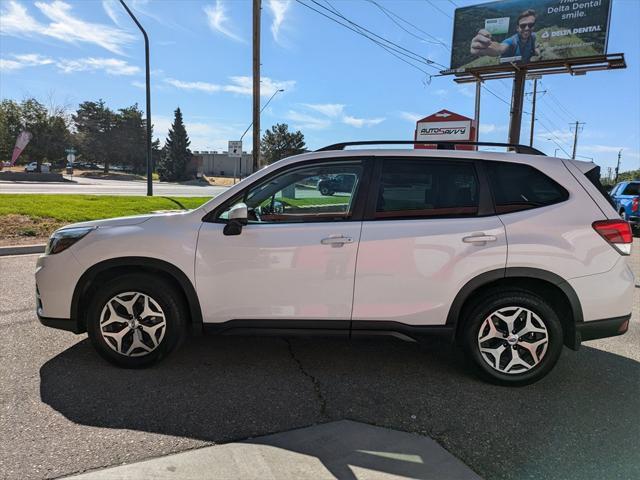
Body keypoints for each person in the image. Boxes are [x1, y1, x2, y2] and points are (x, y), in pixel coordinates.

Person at [470, 9, 540, 64]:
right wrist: (484, 48)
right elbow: (500, 48)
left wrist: (535, 51)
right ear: (517, 28)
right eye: (523, 26)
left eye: (530, 25)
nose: (527, 28)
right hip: (510, 71)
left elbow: (533, 47)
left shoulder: (533, 36)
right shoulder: (512, 41)